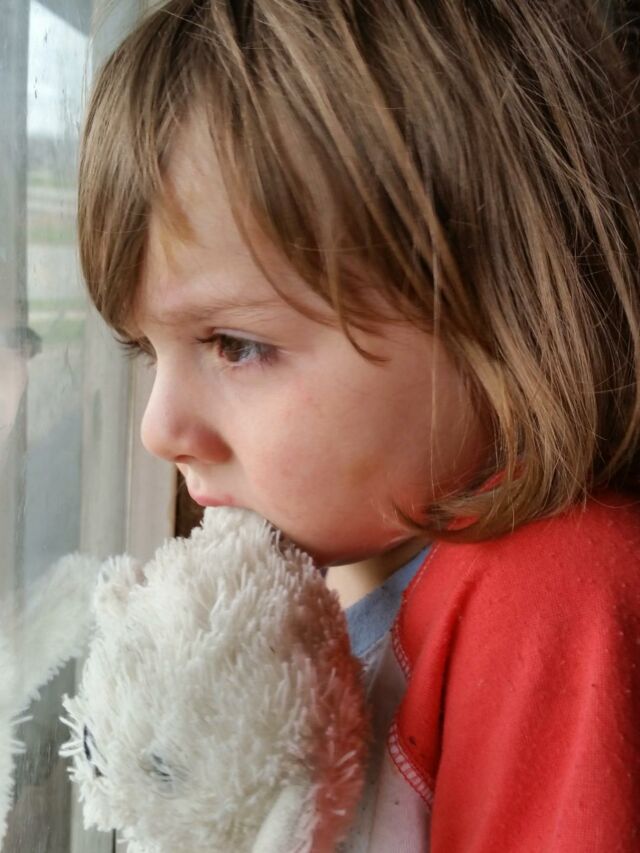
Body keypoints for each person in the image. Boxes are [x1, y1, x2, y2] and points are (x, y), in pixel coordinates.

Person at [77, 1, 640, 849]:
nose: (160, 429)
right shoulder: (320, 601)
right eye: (145, 352)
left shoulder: (557, 597)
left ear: (503, 308)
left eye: (236, 344)